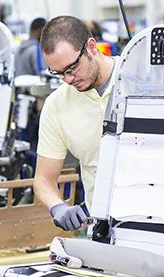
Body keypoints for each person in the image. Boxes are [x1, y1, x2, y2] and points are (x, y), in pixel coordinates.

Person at [33, 16, 116, 232]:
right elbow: (43, 179)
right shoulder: (57, 105)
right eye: (58, 73)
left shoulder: (138, 82)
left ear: (91, 47)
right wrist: (58, 206)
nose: (68, 79)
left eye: (71, 68)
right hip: (103, 228)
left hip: (161, 220)